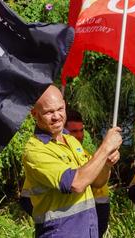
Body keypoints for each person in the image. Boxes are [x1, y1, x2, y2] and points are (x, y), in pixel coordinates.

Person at [21, 85, 122, 237]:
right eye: (49, 112)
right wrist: (105, 148)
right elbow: (76, 183)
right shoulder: (35, 150)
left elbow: (97, 182)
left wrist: (106, 164)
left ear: (65, 105)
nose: (57, 116)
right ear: (34, 114)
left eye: (60, 109)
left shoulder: (71, 141)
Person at [65, 108, 110, 238]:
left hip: (94, 221)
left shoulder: (85, 154)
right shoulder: (56, 157)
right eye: (74, 131)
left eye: (81, 130)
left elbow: (99, 183)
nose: (79, 135)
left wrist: (107, 164)